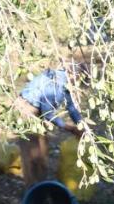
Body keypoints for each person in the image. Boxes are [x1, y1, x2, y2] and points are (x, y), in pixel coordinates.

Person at [13, 49, 88, 186]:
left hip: (38, 109)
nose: (78, 84)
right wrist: (69, 128)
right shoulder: (56, 82)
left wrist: (82, 126)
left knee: (43, 146)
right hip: (26, 108)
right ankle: (32, 188)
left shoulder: (66, 85)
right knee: (31, 150)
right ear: (74, 74)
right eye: (79, 79)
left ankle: (41, 181)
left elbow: (71, 108)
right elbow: (48, 114)